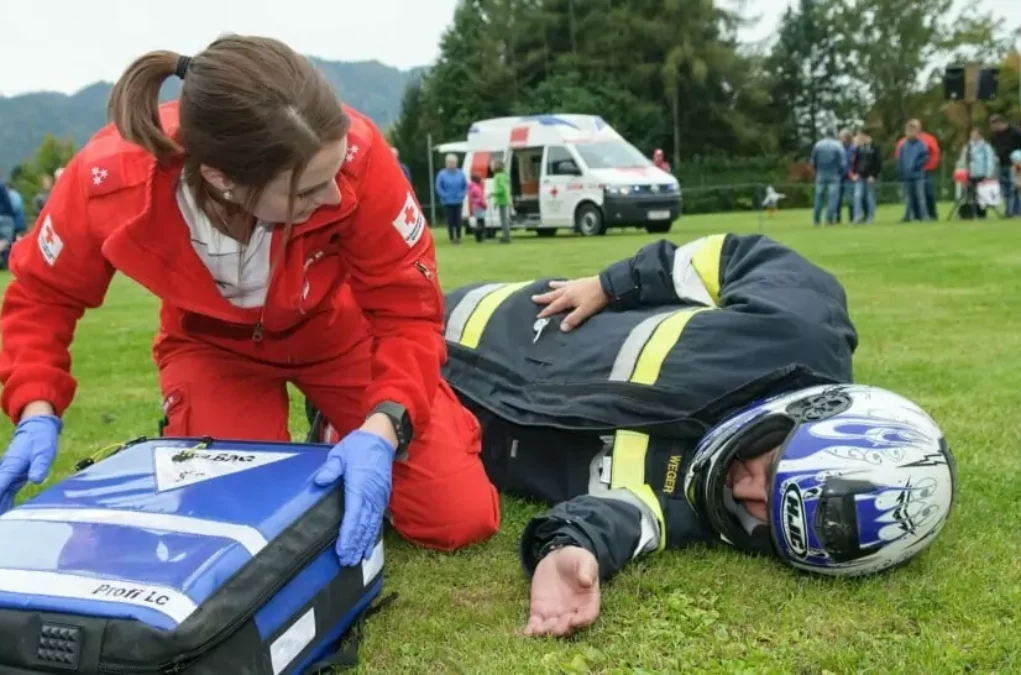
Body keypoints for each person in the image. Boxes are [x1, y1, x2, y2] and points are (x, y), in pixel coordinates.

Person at [0, 36, 500, 563]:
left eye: (332, 178)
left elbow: (408, 312)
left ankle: (341, 425)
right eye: (306, 191)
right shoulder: (109, 181)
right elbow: (41, 295)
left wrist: (381, 424)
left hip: (338, 336)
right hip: (212, 352)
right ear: (224, 181)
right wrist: (36, 406)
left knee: (458, 518)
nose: (333, 197)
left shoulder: (358, 156)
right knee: (232, 525)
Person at [308, 233, 956, 636]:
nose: (746, 492)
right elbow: (728, 256)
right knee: (313, 300)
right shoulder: (801, 331)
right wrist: (614, 283)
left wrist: (570, 550)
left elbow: (628, 517)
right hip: (471, 321)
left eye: (770, 523)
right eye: (772, 467)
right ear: (816, 409)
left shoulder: (721, 512)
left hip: (439, 417)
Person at [957, 126, 997, 219]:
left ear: (980, 135)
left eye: (975, 134)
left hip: (981, 173)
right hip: (969, 173)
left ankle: (981, 213)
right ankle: (968, 213)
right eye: (972, 134)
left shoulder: (985, 147)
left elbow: (989, 161)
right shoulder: (968, 147)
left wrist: (988, 174)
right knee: (968, 194)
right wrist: (962, 172)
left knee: (981, 195)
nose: (973, 135)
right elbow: (963, 160)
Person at [810, 131, 847, 226]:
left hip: (821, 174)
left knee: (818, 197)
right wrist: (840, 173)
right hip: (834, 174)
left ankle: (816, 220)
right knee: (832, 198)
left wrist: (816, 172)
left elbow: (813, 161)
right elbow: (843, 163)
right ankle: (829, 219)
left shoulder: (818, 145)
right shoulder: (838, 145)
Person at [897, 121, 931, 222]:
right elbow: (901, 159)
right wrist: (901, 170)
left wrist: (916, 166)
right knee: (908, 198)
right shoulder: (903, 145)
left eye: (912, 130)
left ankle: (924, 216)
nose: (910, 133)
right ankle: (908, 216)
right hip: (907, 175)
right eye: (908, 131)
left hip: (918, 174)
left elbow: (925, 157)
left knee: (921, 197)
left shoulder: (921, 144)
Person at [989, 114, 1021, 217]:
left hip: (1015, 164)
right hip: (1002, 164)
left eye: (995, 125)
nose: (994, 128)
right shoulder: (995, 134)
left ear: (1000, 123)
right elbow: (994, 147)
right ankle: (1014, 209)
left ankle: (1011, 211)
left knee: (1013, 188)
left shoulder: (1015, 132)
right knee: (1005, 189)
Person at [435, 154, 468, 244]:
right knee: (450, 220)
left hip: (458, 201)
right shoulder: (442, 174)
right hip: (447, 202)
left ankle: (458, 237)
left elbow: (465, 186)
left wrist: (462, 195)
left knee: (458, 220)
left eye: (453, 163)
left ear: (456, 163)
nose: (451, 164)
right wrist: (444, 196)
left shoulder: (461, 173)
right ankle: (451, 238)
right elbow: (438, 187)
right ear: (446, 163)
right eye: (449, 163)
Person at [852, 130, 882, 224]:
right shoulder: (859, 148)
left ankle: (870, 217)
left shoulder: (875, 147)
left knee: (869, 197)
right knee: (857, 196)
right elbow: (856, 161)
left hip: (870, 177)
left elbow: (878, 163)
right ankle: (858, 216)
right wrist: (855, 173)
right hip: (860, 176)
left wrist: (873, 175)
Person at [490, 158, 512, 243]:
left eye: (492, 165)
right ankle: (506, 236)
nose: (491, 166)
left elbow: (502, 189)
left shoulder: (498, 176)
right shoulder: (504, 175)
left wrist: (493, 193)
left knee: (503, 220)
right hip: (504, 199)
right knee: (504, 219)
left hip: (502, 199)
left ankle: (506, 237)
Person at [837, 129, 856, 223]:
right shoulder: (838, 148)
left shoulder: (853, 149)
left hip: (849, 177)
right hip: (838, 177)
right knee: (837, 199)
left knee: (850, 199)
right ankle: (837, 218)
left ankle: (852, 218)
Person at [468, 174, 488, 243]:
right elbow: (480, 199)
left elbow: (473, 199)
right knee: (481, 223)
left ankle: (478, 237)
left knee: (478, 222)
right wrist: (484, 205)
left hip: (475, 207)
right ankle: (480, 237)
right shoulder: (477, 188)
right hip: (480, 207)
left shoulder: (472, 187)